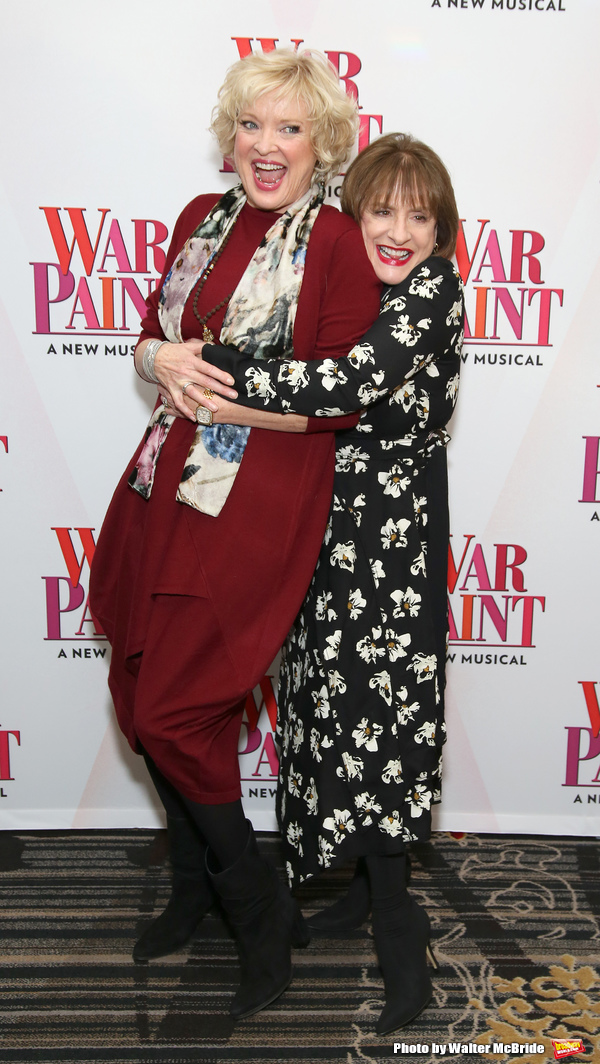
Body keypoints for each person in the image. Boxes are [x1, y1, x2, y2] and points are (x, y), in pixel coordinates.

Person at [89, 49, 380, 1021]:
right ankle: (196, 885)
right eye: (252, 124)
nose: (266, 145)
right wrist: (158, 352)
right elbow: (148, 337)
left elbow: (337, 402)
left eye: (290, 128)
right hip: (161, 479)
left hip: (257, 496)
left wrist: (229, 391)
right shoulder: (198, 219)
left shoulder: (338, 240)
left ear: (322, 143)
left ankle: (264, 919)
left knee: (176, 708)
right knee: (137, 690)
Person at [184, 132, 464, 1035]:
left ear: (442, 228)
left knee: (379, 726)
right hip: (330, 531)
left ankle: (398, 927)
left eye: (419, 215)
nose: (398, 230)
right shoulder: (354, 287)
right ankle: (358, 883)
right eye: (381, 209)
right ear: (355, 215)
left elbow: (349, 382)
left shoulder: (432, 294)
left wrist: (225, 367)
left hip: (389, 550)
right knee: (330, 713)